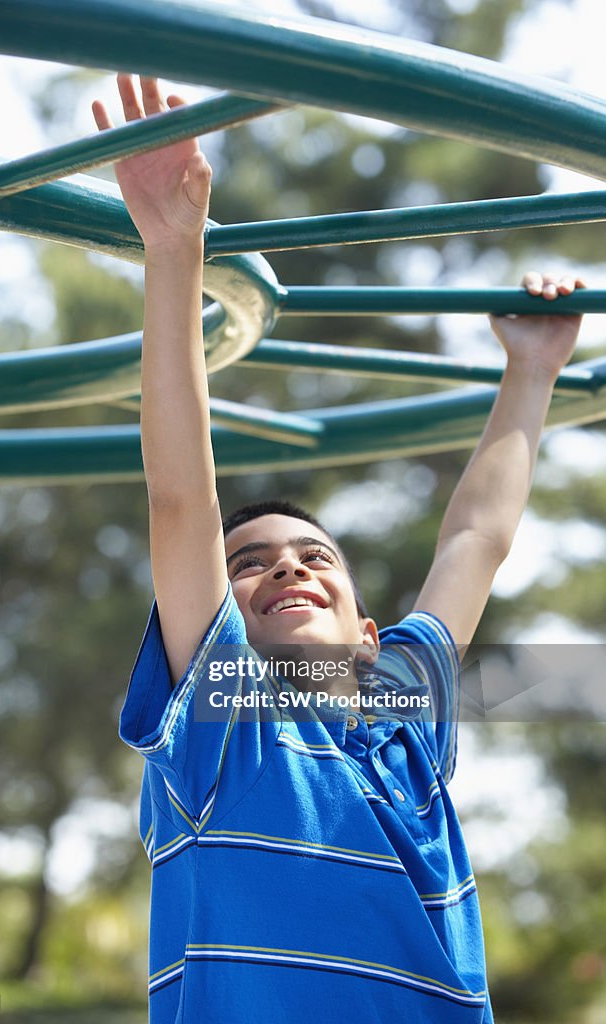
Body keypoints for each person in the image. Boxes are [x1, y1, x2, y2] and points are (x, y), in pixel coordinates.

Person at [93, 75, 586, 1023]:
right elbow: (180, 499)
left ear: (369, 632)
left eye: (315, 555)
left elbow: (476, 537)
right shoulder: (224, 736)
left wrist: (529, 371)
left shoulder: (406, 714)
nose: (286, 565)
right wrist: (175, 252)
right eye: (249, 564)